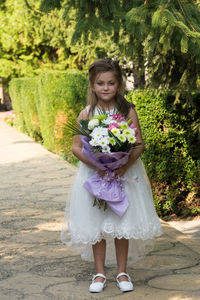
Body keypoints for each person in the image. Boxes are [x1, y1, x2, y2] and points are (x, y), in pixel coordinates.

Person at [61, 58, 162, 293]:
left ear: (118, 85)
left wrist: (122, 167)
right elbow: (76, 147)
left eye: (111, 83)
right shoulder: (86, 113)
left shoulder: (126, 111)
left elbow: (137, 144)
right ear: (92, 86)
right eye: (100, 83)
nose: (105, 88)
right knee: (96, 223)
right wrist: (96, 165)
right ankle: (99, 273)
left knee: (121, 222)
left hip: (121, 174)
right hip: (94, 176)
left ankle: (122, 272)